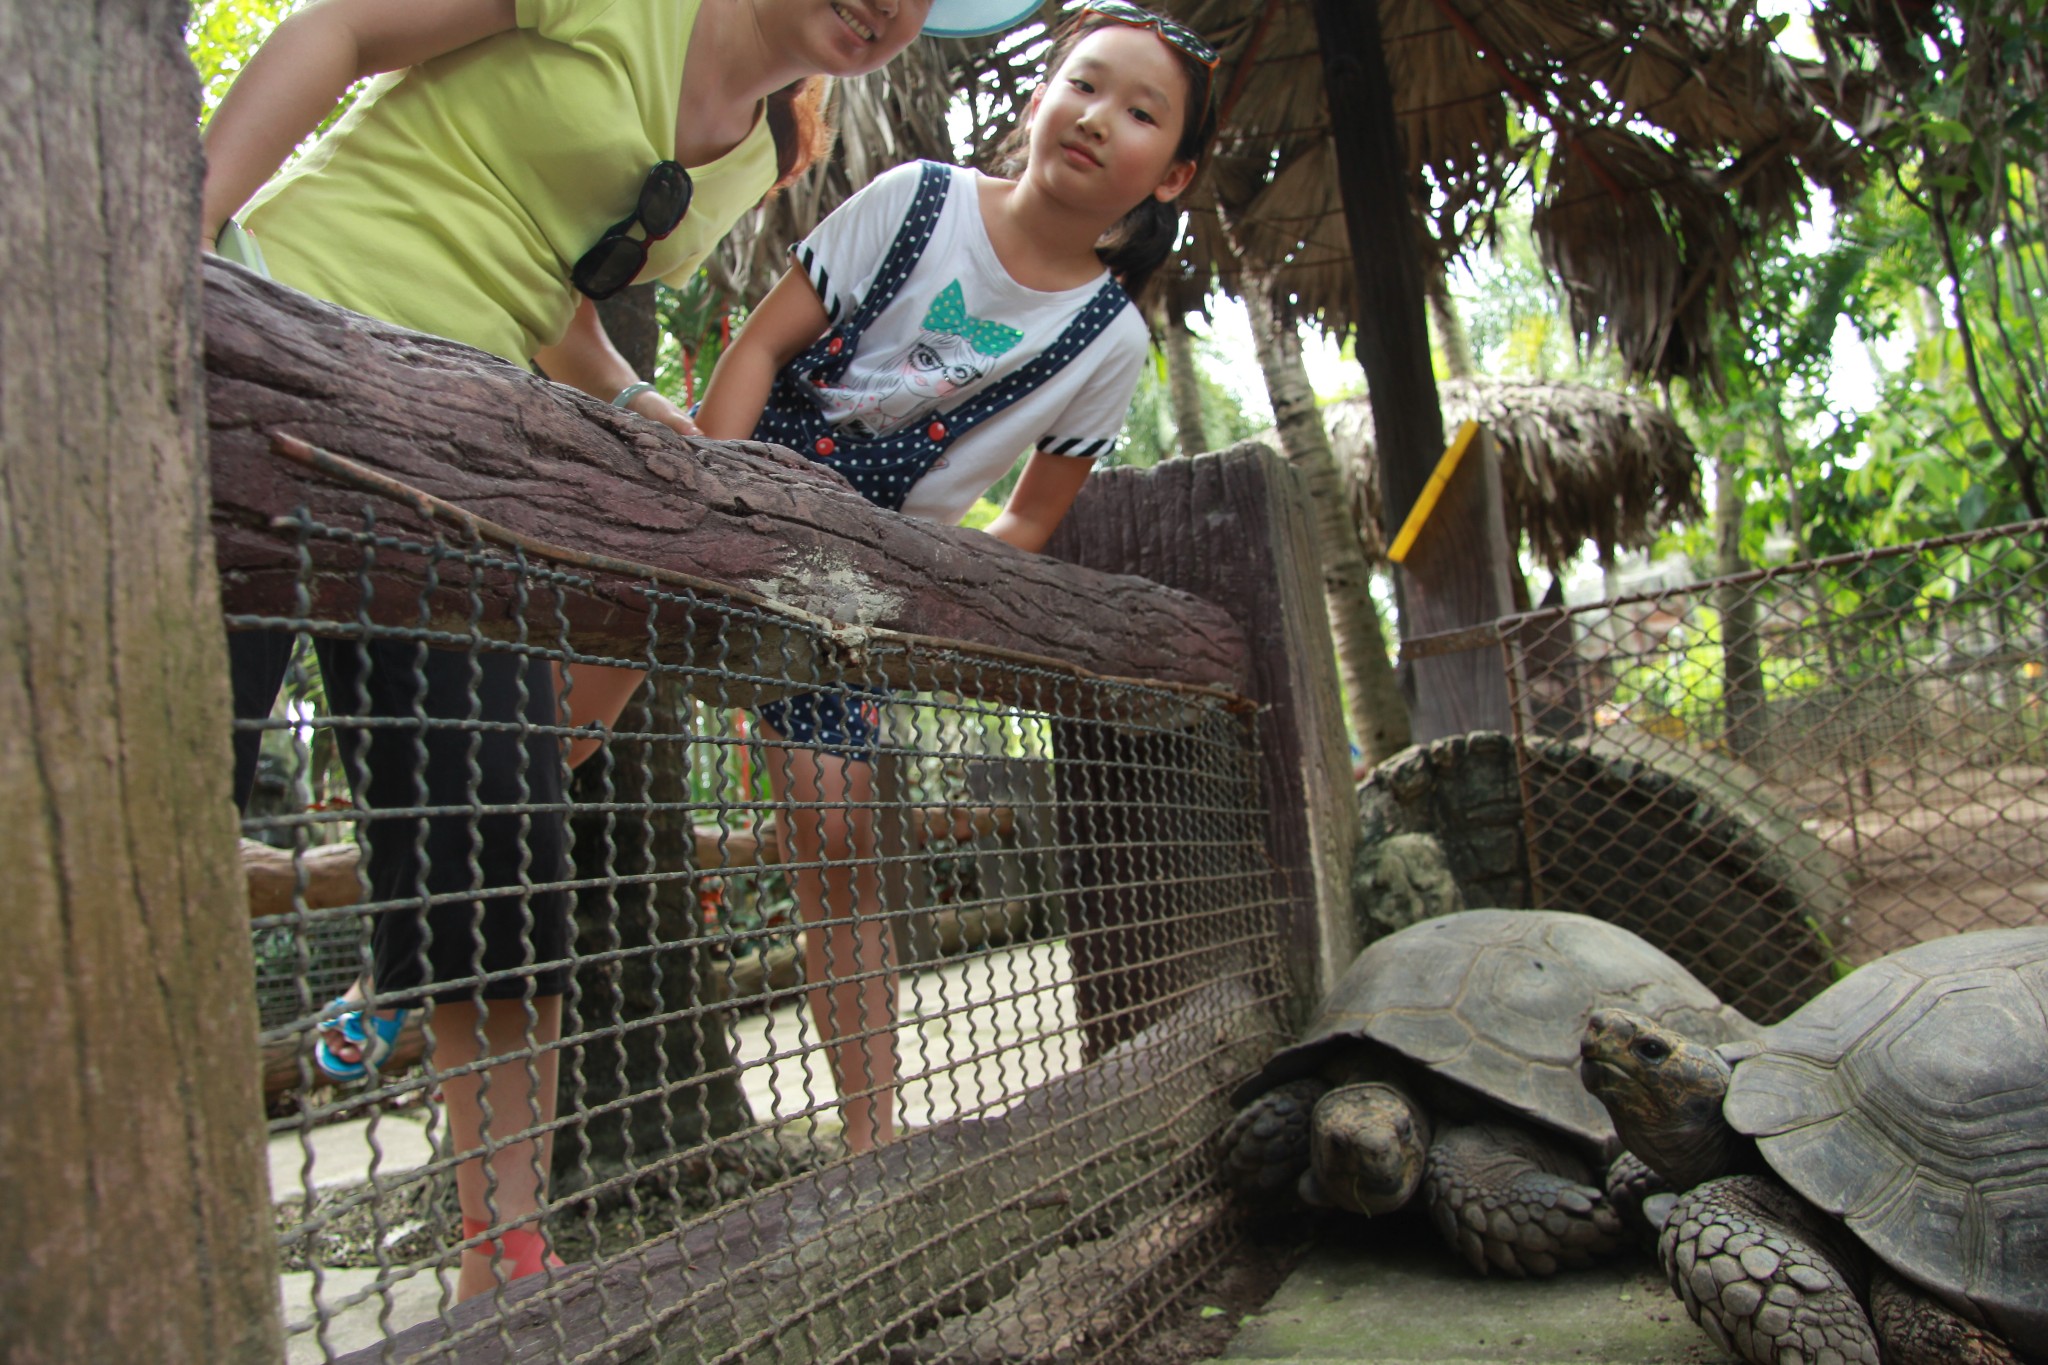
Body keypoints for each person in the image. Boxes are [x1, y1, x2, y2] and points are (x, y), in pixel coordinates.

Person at [201, 0, 1039, 1301]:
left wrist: (646, 412)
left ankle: (509, 1265)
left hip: (459, 443)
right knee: (153, 790)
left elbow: (549, 282)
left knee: (501, 844)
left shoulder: (765, 146)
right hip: (268, 342)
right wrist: (187, 235)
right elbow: (340, 30)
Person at [687, 0, 1223, 1155]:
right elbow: (758, 350)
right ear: (1040, 98)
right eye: (1082, 83)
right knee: (578, 731)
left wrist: (893, 613)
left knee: (832, 838)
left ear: (1169, 176)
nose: (1095, 118)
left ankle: (872, 1147)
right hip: (722, 493)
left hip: (858, 591)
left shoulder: (1108, 342)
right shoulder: (916, 200)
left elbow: (1026, 522)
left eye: (1138, 113)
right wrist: (704, 518)